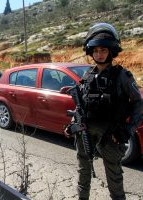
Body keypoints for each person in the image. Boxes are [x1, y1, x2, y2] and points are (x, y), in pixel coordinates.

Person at [64, 23, 142, 200]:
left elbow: (138, 104)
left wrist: (127, 131)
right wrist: (73, 125)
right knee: (83, 172)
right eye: (96, 50)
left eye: (104, 50)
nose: (99, 54)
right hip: (85, 132)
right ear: (91, 51)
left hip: (111, 135)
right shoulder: (87, 75)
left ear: (111, 52)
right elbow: (81, 105)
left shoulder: (122, 75)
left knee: (114, 178)